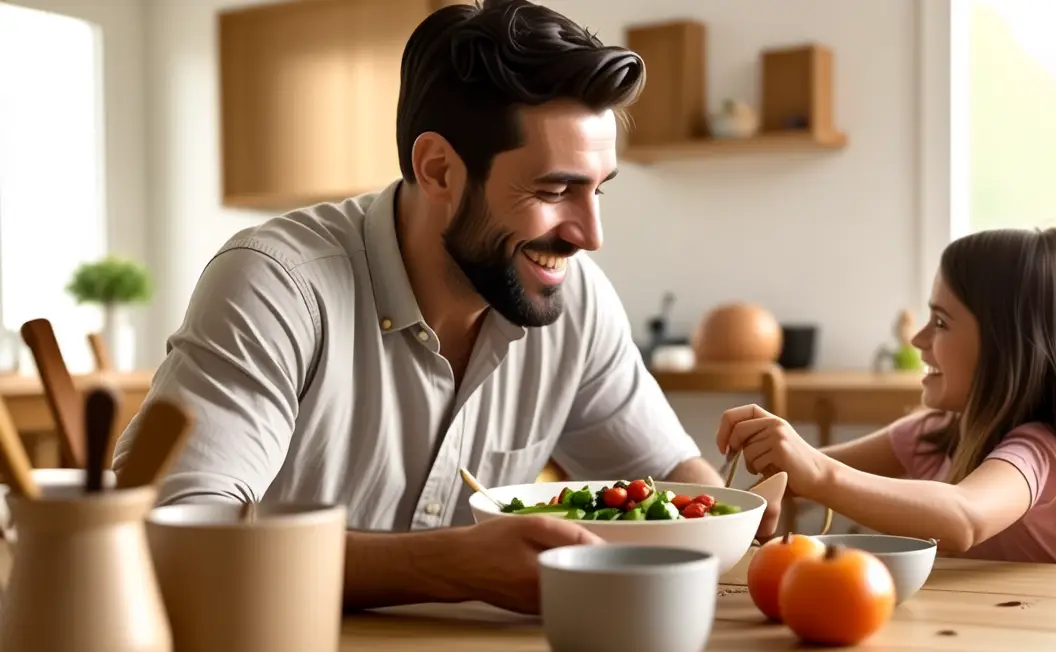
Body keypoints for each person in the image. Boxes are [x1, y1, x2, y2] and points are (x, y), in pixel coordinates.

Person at [111, 0, 732, 614]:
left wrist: (754, 502)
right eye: (553, 190)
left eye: (597, 190)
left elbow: (677, 488)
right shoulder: (278, 285)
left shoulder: (577, 300)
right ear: (438, 170)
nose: (589, 234)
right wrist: (447, 566)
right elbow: (179, 537)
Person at [717, 228, 1056, 567]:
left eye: (940, 322)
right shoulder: (933, 433)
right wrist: (771, 475)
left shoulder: (1040, 450)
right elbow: (802, 473)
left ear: (1005, 346)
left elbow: (964, 518)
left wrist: (817, 473)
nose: (919, 339)